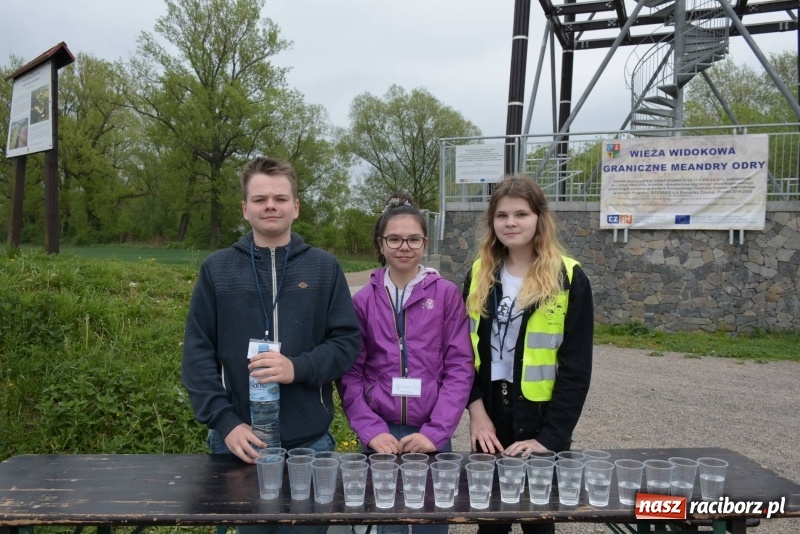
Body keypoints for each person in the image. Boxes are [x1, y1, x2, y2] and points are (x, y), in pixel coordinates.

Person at [182, 156, 360, 534]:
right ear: (245, 208)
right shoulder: (217, 270)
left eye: (280, 198)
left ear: (296, 206)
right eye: (260, 199)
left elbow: (346, 342)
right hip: (239, 444)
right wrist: (225, 422)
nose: (270, 206)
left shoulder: (324, 268)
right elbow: (197, 355)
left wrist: (298, 368)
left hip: (308, 445)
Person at [463, 175, 594, 534]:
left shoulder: (568, 277)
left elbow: (576, 369)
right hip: (489, 419)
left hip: (540, 423)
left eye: (521, 213)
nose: (511, 223)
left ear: (539, 218)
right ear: (492, 222)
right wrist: (476, 413)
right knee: (490, 523)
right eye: (502, 215)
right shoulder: (480, 273)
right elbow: (463, 352)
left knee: (538, 522)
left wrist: (550, 438)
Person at [338, 192, 474, 534]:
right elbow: (351, 373)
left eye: (414, 238)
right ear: (381, 244)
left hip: (430, 434)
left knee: (431, 522)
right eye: (394, 238)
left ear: (425, 243)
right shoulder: (363, 300)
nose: (404, 246)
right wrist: (370, 430)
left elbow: (460, 366)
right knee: (385, 524)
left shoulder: (445, 295)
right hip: (380, 433)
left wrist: (437, 431)